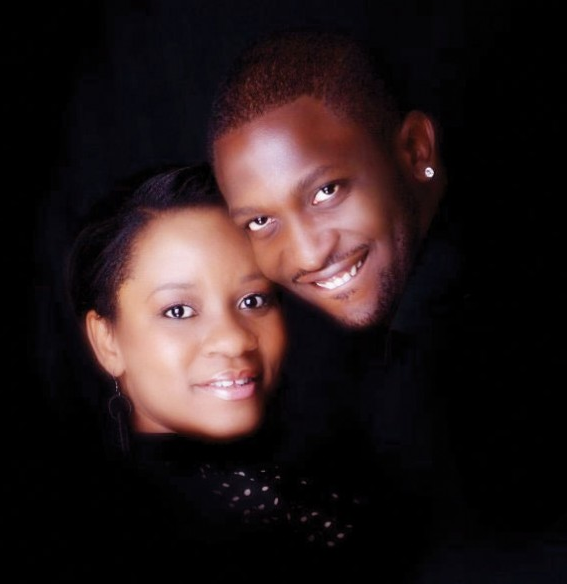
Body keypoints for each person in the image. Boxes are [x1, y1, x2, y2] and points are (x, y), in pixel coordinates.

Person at [207, 28, 567, 568]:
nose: (307, 254)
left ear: (415, 149)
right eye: (260, 222)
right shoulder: (394, 342)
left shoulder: (478, 355)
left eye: (326, 191)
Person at [64, 162, 374, 581]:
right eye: (178, 310)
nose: (234, 340)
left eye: (253, 301)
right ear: (107, 341)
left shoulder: (325, 471)